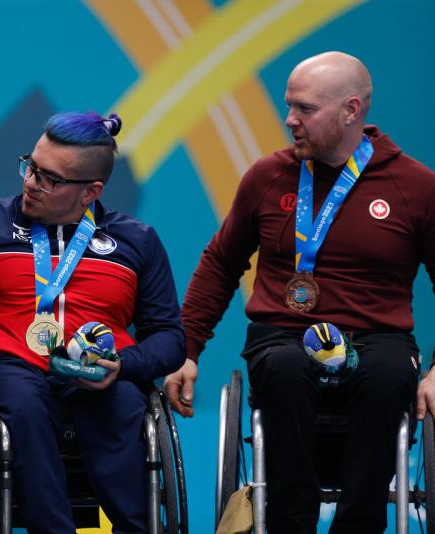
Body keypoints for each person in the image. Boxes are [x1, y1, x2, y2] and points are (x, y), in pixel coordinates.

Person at [164, 51, 435, 533]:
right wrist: (185, 349)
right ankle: (292, 525)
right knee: (286, 370)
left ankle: (359, 526)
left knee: (387, 376)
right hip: (284, 333)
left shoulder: (414, 186)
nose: (290, 120)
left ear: (351, 110)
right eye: (289, 105)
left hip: (377, 337)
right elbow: (221, 263)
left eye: (305, 109)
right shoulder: (267, 177)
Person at [0, 111, 186, 533]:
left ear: (91, 191)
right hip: (9, 368)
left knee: (125, 403)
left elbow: (168, 338)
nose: (31, 182)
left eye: (50, 179)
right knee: (22, 404)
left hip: (98, 373)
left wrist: (121, 366)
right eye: (30, 166)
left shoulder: (136, 240)